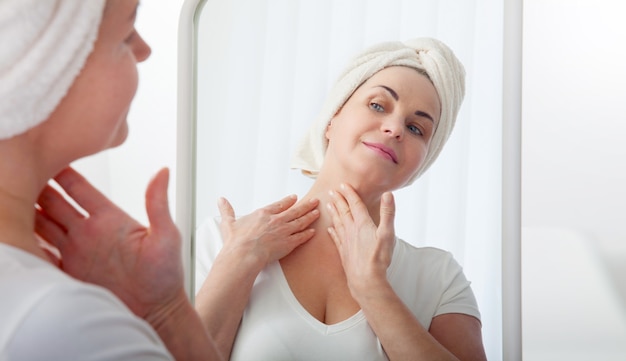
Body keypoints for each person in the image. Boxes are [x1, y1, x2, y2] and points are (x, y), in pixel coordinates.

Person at [194, 38, 488, 360]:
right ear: (332, 119)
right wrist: (238, 262)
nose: (394, 129)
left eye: (416, 128)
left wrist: (372, 288)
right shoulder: (221, 241)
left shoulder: (439, 278)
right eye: (378, 105)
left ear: (422, 163)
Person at [0, 1, 222, 360]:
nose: (144, 50)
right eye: (126, 34)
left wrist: (163, 310)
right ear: (36, 66)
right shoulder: (60, 326)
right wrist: (167, 315)